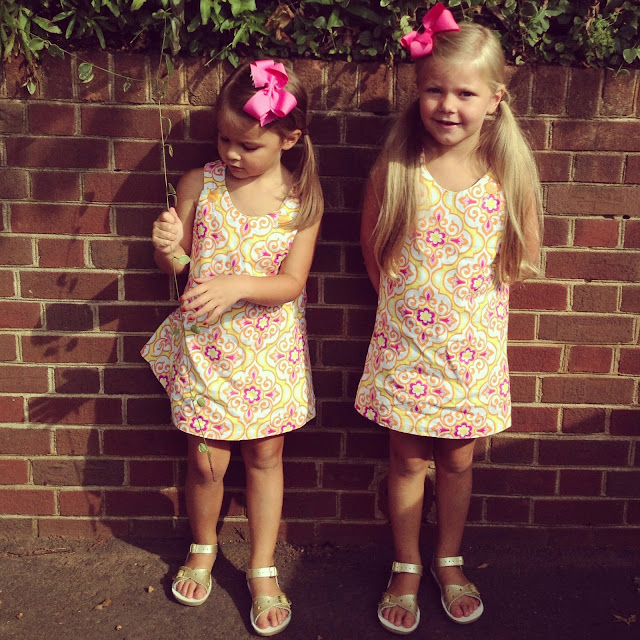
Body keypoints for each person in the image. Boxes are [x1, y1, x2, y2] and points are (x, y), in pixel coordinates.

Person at [355, 3, 542, 634]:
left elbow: (522, 254)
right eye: (435, 90)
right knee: (407, 461)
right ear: (418, 92)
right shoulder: (397, 170)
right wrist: (411, 313)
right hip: (405, 349)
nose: (448, 105)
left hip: (472, 355)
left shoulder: (508, 174)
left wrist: (463, 318)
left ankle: (449, 558)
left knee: (459, 461)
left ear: (495, 99)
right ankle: (406, 564)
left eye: (465, 93)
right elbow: (373, 252)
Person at [141, 59, 323, 636]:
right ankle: (203, 544)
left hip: (268, 351)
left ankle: (263, 566)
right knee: (205, 459)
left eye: (248, 144)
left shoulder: (301, 201)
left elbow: (291, 282)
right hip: (208, 348)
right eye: (224, 140)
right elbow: (178, 265)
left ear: (289, 139)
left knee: (265, 457)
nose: (232, 154)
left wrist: (238, 284)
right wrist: (168, 247)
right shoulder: (200, 183)